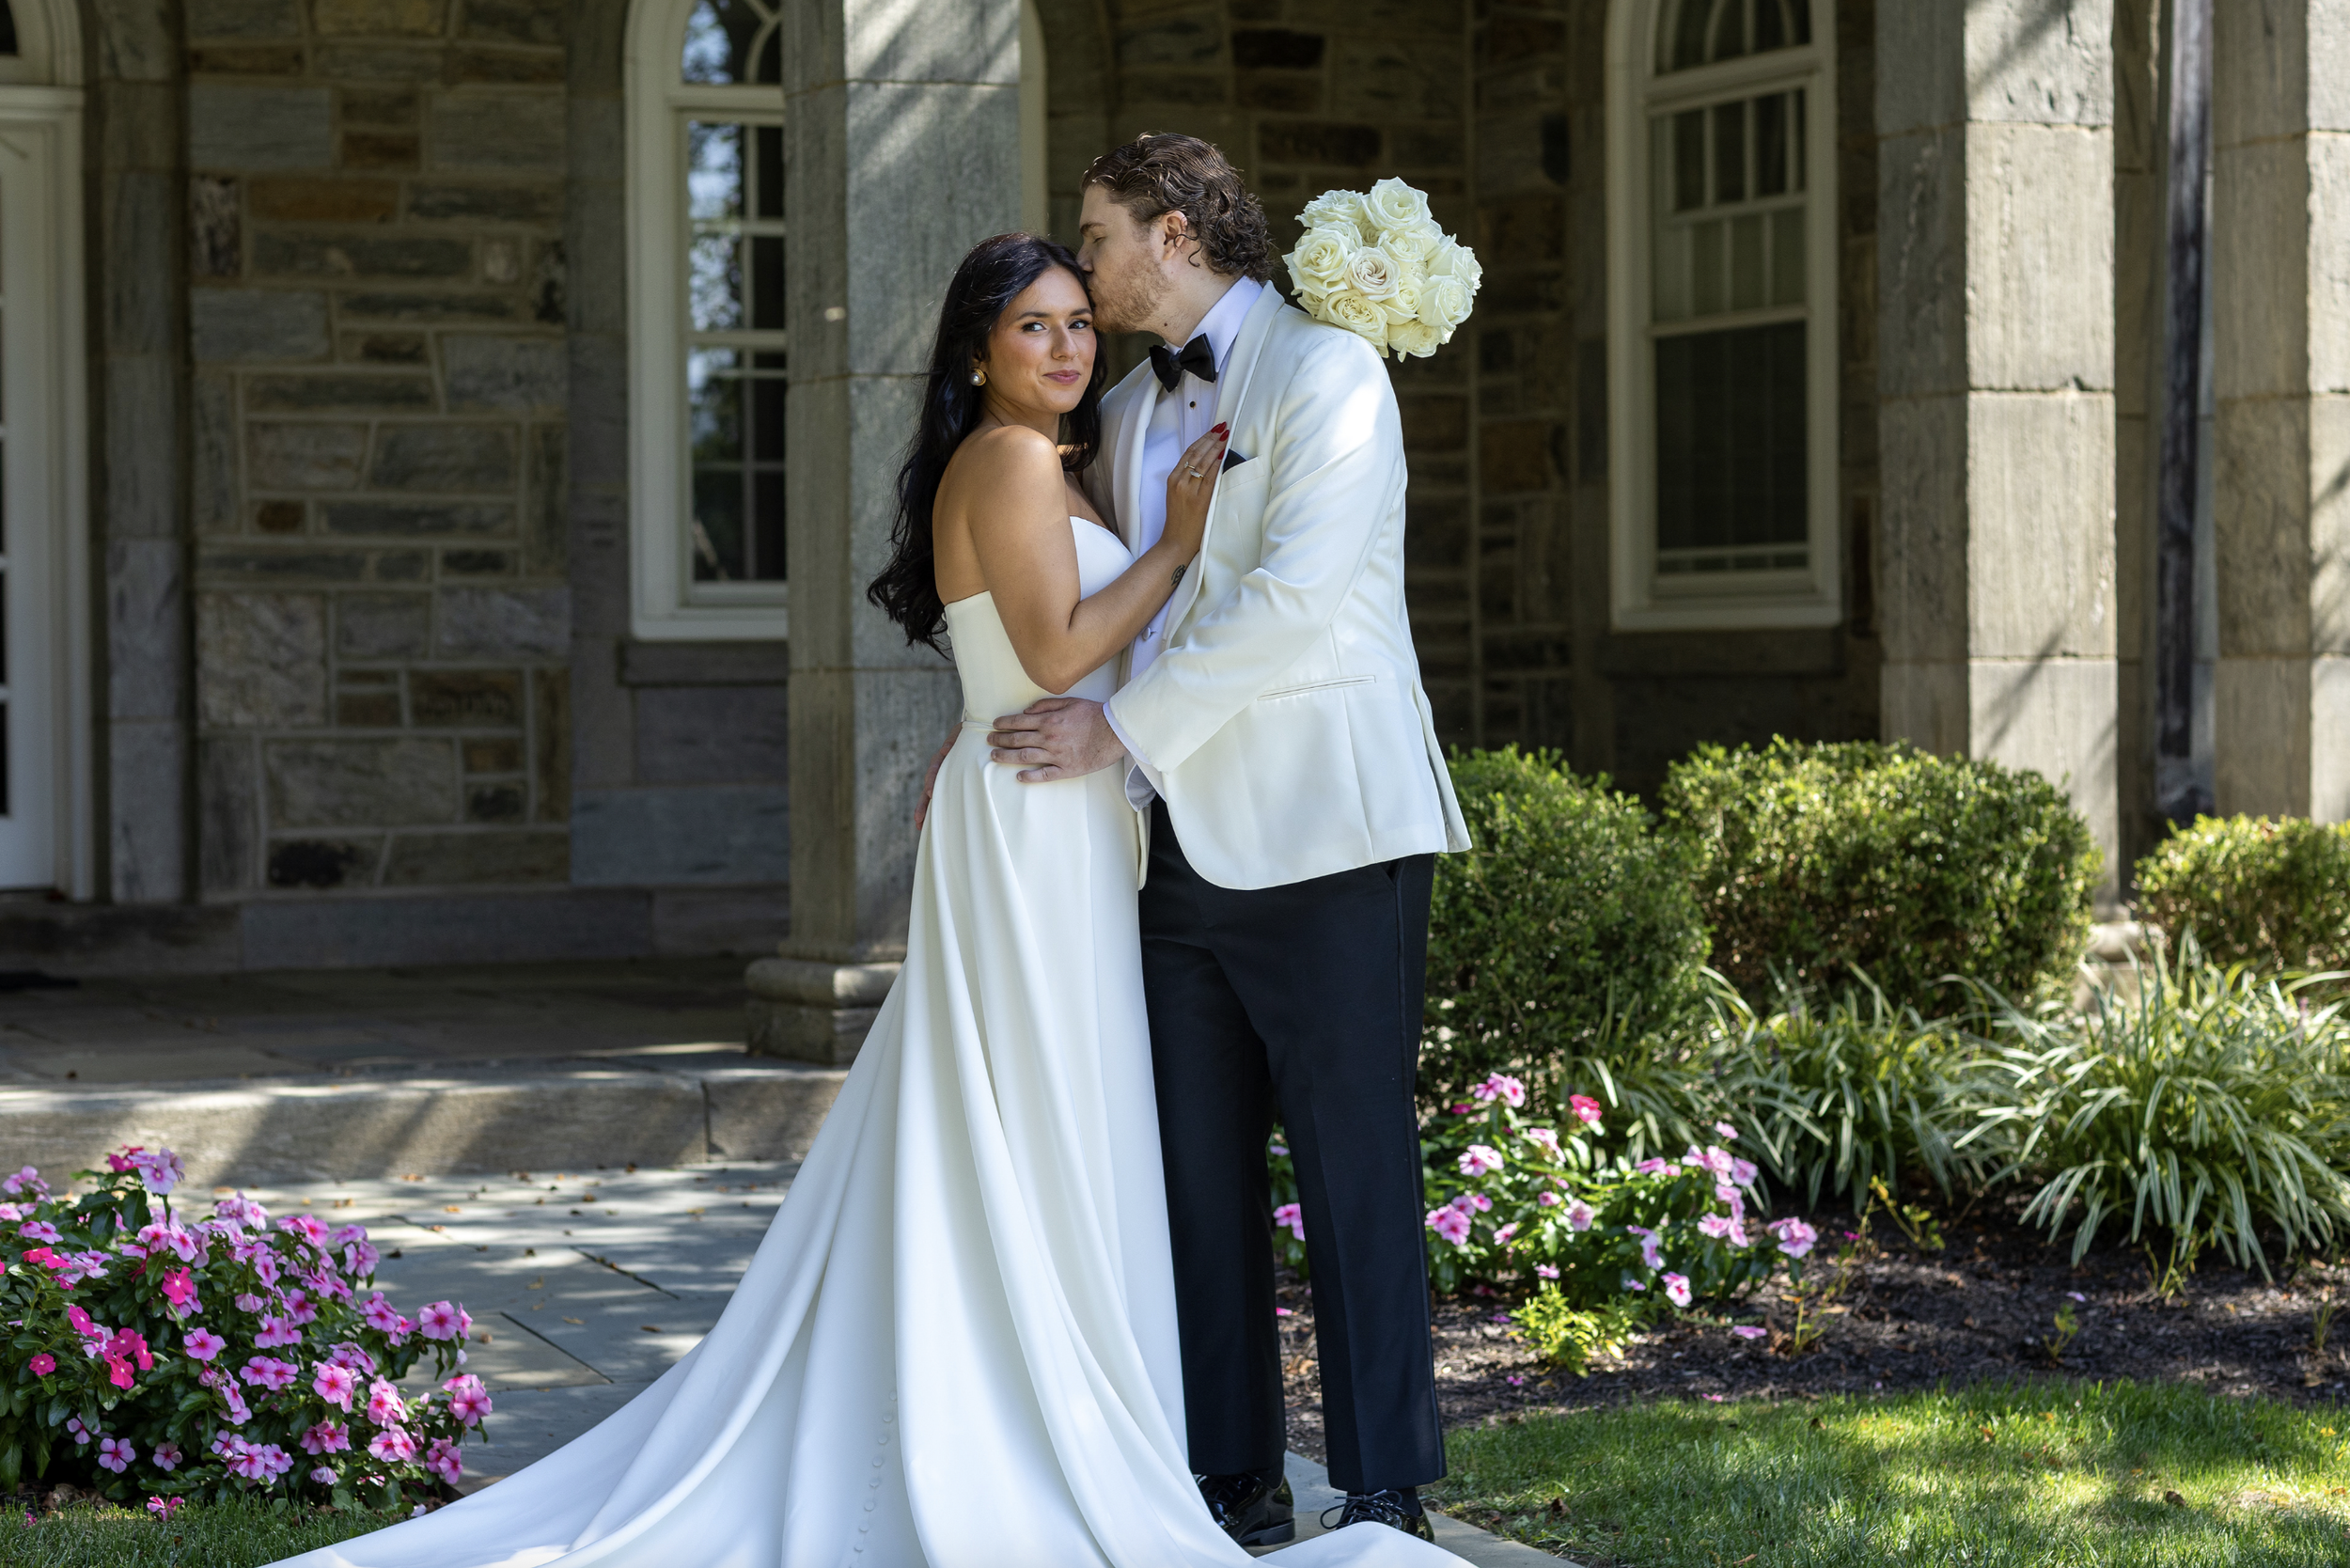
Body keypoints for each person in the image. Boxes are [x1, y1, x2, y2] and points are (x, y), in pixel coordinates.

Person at [269, 233, 1459, 1567]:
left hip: (1076, 811)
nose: (1070, 346)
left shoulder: (1086, 437)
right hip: (1039, 828)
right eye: (1035, 328)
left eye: (1079, 316)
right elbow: (1066, 644)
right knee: (1046, 1119)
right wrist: (1175, 543)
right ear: (976, 353)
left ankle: (1088, 1414)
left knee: (1036, 1122)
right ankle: (1044, 1422)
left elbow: (1038, 644)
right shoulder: (1015, 459)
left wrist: (999, 701)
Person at [981, 133, 1471, 1546]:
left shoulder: (1333, 375)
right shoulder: (1129, 417)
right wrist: (1002, 721)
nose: (1080, 264)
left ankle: (1387, 1487)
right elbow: (1120, 607)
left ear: (1179, 233)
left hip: (1332, 834)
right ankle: (1226, 1474)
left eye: (1097, 235)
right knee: (1194, 1175)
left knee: (1355, 1169)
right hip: (1172, 853)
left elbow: (1299, 600)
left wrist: (1118, 738)